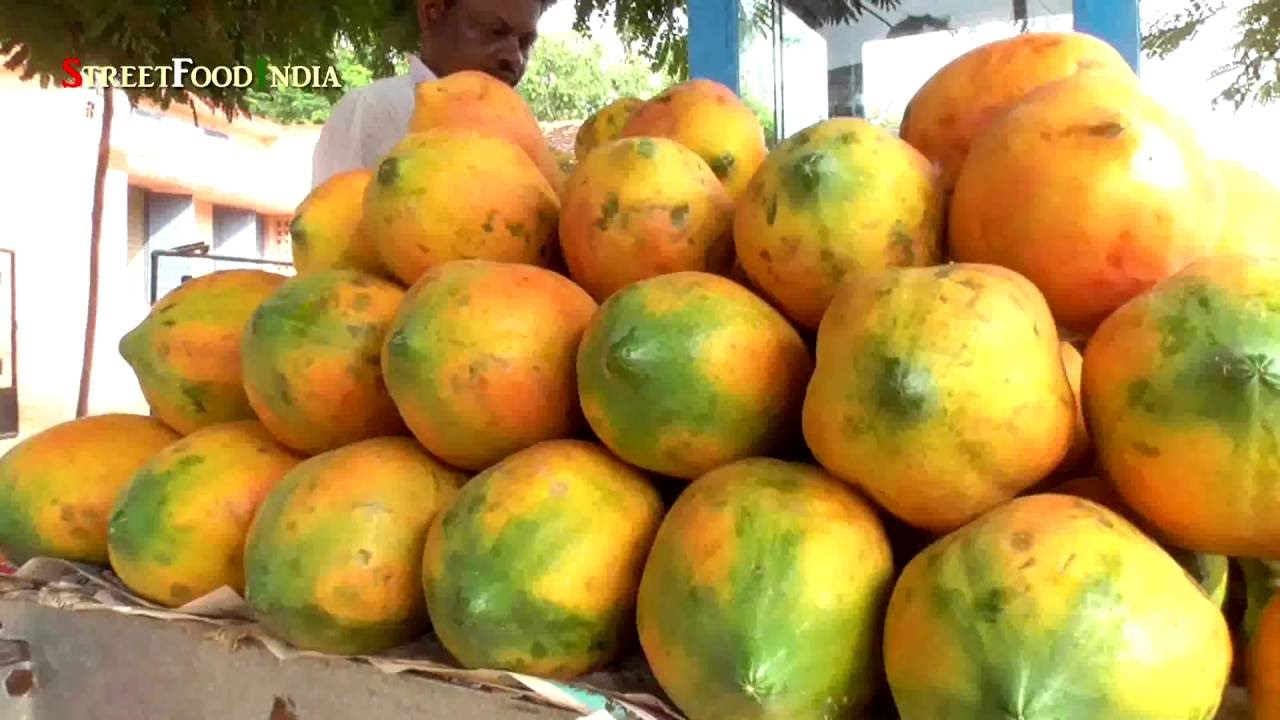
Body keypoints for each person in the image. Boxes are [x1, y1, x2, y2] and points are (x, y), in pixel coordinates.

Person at [311, 0, 552, 188]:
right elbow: (331, 237)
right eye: (495, 32)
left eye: (525, 43)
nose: (514, 57)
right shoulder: (370, 110)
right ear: (432, 12)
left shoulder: (522, 130)